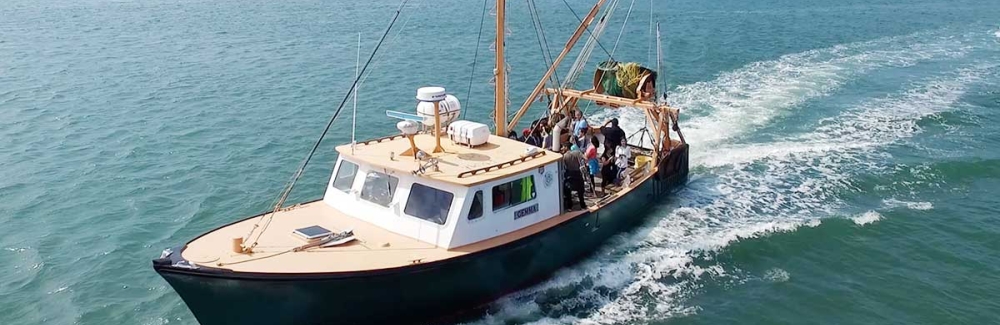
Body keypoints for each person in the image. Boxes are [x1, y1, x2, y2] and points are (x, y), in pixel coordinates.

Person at [561, 145, 588, 210]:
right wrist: (584, 165)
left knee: (567, 190)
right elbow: (586, 158)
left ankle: (569, 206)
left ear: (566, 147)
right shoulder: (577, 152)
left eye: (563, 146)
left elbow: (563, 166)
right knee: (580, 191)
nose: (562, 148)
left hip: (569, 174)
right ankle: (583, 205)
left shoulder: (564, 156)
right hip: (577, 173)